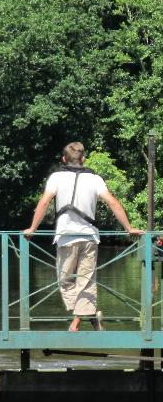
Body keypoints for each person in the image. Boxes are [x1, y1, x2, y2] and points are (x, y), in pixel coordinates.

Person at [23, 142, 144, 331]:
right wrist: (129, 227)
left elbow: (45, 201)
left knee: (65, 281)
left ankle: (77, 322)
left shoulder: (56, 177)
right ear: (83, 159)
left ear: (64, 159)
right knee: (86, 281)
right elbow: (113, 202)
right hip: (89, 237)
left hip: (66, 236)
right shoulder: (95, 179)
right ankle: (88, 314)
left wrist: (32, 228)